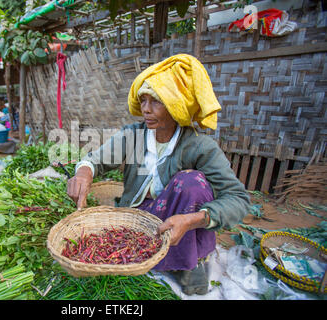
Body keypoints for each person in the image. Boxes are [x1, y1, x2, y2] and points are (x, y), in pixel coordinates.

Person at [67, 54, 251, 295]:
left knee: (191, 183)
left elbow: (238, 199)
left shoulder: (199, 146)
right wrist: (84, 172)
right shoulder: (133, 135)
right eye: (143, 101)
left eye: (155, 102)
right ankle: (159, 258)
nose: (145, 109)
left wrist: (193, 219)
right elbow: (95, 160)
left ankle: (189, 263)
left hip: (180, 222)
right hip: (141, 218)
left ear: (176, 106)